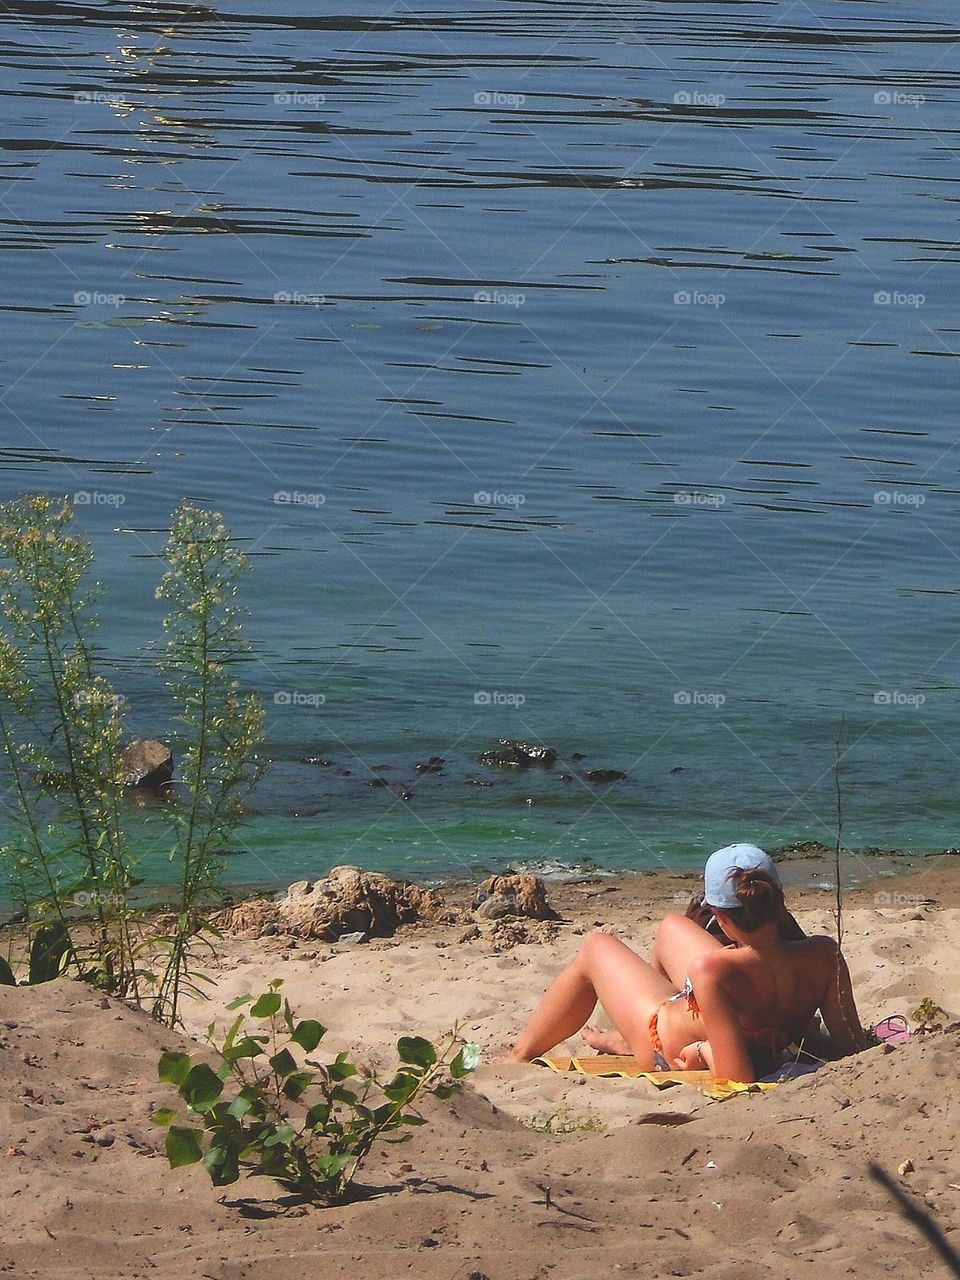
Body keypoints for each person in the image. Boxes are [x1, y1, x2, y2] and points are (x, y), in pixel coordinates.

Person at [508, 843, 867, 1082]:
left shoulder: (713, 970)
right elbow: (851, 1045)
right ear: (779, 902)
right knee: (671, 928)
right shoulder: (824, 954)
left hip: (663, 1044)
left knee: (596, 948)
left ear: (717, 918)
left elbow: (735, 1079)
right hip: (764, 1028)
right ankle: (623, 1037)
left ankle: (520, 1055)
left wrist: (702, 1050)